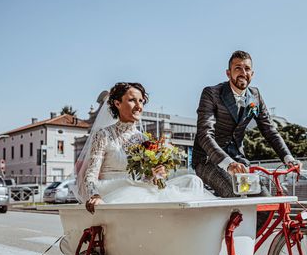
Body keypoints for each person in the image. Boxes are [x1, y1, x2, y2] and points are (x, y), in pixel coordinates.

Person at [74, 82, 213, 213]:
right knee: (135, 193)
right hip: (113, 191)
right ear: (117, 103)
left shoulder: (144, 139)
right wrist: (95, 195)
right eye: (132, 100)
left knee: (193, 180)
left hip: (139, 189)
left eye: (141, 101)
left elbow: (147, 180)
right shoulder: (103, 135)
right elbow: (90, 174)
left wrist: (157, 175)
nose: (138, 106)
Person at [192, 50, 298, 204]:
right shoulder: (211, 94)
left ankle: (249, 229)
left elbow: (269, 130)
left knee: (265, 202)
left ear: (252, 74)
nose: (243, 73)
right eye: (238, 68)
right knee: (237, 199)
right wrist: (228, 164)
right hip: (208, 160)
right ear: (228, 73)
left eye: (247, 69)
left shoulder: (255, 96)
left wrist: (289, 158)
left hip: (238, 160)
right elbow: (205, 134)